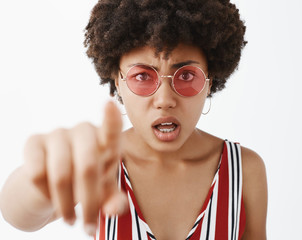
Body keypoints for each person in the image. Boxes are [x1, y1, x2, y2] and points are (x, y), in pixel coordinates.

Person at [0, 0, 268, 239]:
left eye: (186, 76)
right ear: (118, 80)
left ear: (209, 82)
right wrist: (44, 178)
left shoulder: (244, 170)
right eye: (142, 76)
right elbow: (16, 215)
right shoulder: (99, 162)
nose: (165, 99)